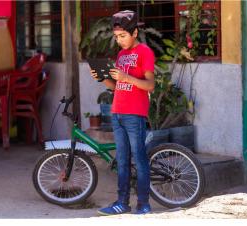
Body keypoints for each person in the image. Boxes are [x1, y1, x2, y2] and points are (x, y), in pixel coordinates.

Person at [89, 10, 155, 215]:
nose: (119, 41)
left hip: (135, 114)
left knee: (139, 158)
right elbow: (116, 87)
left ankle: (143, 204)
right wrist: (101, 78)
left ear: (134, 32)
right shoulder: (121, 55)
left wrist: (126, 77)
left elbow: (150, 85)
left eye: (123, 36)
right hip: (117, 112)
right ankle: (121, 202)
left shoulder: (145, 52)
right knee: (122, 160)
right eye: (116, 37)